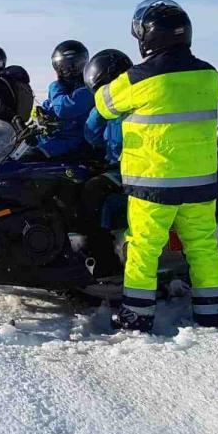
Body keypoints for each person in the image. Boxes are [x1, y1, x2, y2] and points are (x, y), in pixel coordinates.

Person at [95, 0, 218, 332]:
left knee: (143, 248)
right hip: (200, 182)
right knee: (203, 247)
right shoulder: (209, 75)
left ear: (148, 37)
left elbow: (105, 104)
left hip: (154, 183)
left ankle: (138, 316)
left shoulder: (139, 78)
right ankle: (212, 313)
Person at [79, 49, 133, 279]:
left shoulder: (134, 103)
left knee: (92, 192)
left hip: (133, 170)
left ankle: (105, 261)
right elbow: (91, 135)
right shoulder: (112, 108)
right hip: (116, 166)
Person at [33, 40, 94, 161]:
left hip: (76, 146)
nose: (67, 70)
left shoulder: (89, 90)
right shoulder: (64, 89)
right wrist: (39, 118)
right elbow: (48, 107)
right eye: (61, 66)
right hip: (54, 141)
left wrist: (54, 86)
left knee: (27, 160)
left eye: (73, 65)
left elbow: (63, 108)